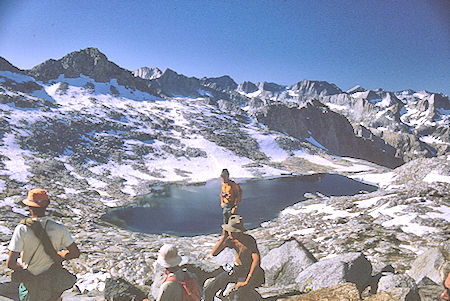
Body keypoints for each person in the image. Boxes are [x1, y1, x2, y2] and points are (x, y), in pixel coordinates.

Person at [6, 188, 80, 301]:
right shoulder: (59, 228)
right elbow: (75, 253)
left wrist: (23, 269)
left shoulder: (22, 229)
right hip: (52, 284)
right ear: (47, 205)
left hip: (30, 284)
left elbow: (11, 263)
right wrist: (59, 255)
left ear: (29, 206)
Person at [203, 215, 265, 301]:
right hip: (235, 270)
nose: (231, 233)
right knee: (209, 290)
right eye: (230, 231)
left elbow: (256, 260)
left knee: (237, 297)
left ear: (239, 231)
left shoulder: (249, 240)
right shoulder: (230, 240)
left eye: (233, 232)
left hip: (247, 272)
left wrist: (246, 281)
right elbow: (214, 253)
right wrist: (223, 237)